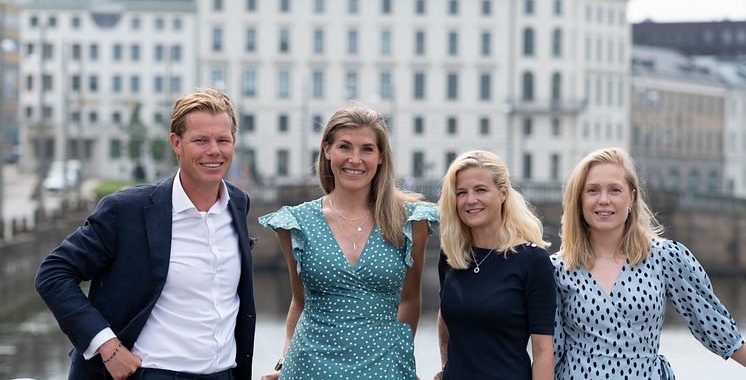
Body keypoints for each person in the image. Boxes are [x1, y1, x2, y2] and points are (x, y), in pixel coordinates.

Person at [35, 88, 256, 380]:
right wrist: (107, 345)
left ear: (233, 142)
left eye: (222, 140)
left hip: (222, 374)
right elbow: (53, 273)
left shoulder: (237, 204)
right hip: (153, 373)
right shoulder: (128, 210)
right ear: (176, 143)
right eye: (200, 140)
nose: (213, 150)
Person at [258, 104, 437, 379]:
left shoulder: (410, 222)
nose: (355, 159)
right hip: (308, 368)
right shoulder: (297, 223)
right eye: (345, 147)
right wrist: (282, 363)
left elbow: (411, 299)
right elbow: (300, 302)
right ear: (327, 150)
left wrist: (397, 356)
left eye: (367, 149)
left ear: (380, 157)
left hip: (383, 369)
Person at [552, 146, 746, 379]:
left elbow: (715, 326)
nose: (604, 200)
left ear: (632, 197)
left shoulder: (665, 257)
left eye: (615, 190)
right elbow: (551, 351)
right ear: (580, 200)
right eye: (592, 190)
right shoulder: (558, 269)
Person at [436, 150, 555, 380]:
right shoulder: (451, 253)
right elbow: (445, 317)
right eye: (462, 192)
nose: (470, 200)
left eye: (480, 190)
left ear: (503, 193)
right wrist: (446, 366)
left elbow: (542, 352)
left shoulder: (532, 260)